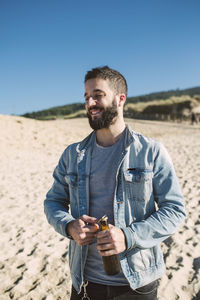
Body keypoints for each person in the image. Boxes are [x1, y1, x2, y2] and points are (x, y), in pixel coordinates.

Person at [44, 66, 186, 300]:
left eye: (98, 95)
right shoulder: (72, 154)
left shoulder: (151, 151)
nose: (90, 103)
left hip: (137, 283)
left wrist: (128, 237)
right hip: (85, 283)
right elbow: (53, 202)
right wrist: (70, 226)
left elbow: (175, 210)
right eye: (87, 97)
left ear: (121, 99)